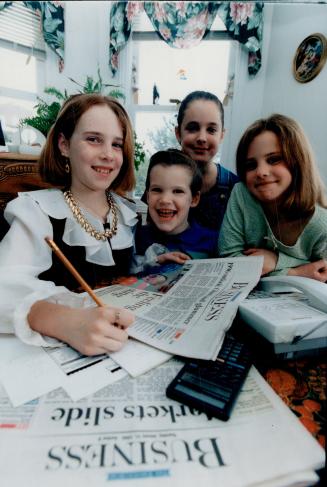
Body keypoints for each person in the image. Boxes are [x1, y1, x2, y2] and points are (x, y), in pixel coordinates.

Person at [0, 94, 139, 354]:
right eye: (94, 139)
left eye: (117, 144)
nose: (108, 154)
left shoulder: (128, 213)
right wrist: (66, 322)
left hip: (126, 345)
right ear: (64, 145)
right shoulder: (37, 212)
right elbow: (3, 285)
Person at [218, 113, 327, 281]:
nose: (261, 172)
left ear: (298, 161)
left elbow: (321, 273)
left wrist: (276, 261)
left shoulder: (322, 223)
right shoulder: (241, 193)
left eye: (274, 159)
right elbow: (228, 257)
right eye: (250, 165)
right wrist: (295, 272)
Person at [133, 149, 218, 273]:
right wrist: (155, 260)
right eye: (157, 190)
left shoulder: (212, 242)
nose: (165, 200)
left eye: (178, 191)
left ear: (194, 199)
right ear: (147, 196)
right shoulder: (137, 237)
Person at [174, 90, 239, 231]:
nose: (202, 138)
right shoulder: (160, 177)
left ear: (221, 135)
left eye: (211, 130)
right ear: (178, 133)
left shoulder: (236, 189)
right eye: (192, 128)